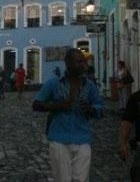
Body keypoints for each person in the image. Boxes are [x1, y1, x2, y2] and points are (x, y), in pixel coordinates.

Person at [33, 48, 102, 182]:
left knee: (81, 179)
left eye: (84, 61)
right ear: (68, 63)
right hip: (59, 138)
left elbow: (99, 105)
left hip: (82, 137)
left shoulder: (89, 86)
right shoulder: (54, 84)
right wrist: (57, 106)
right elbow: (36, 104)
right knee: (62, 178)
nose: (83, 65)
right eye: (79, 62)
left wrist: (92, 109)